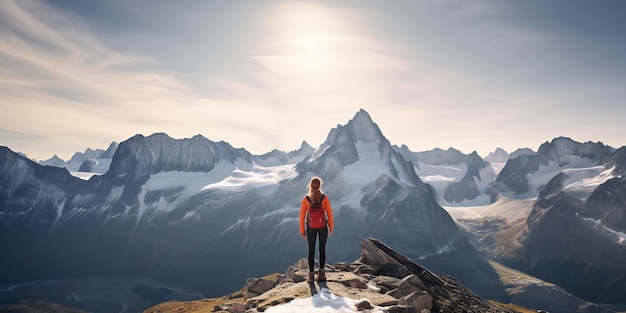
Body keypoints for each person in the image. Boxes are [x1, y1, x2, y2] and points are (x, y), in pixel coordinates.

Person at [299, 176, 334, 283]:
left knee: (311, 251)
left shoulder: (306, 199)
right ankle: (322, 274)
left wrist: (302, 230)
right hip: (323, 228)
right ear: (320, 186)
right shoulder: (324, 198)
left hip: (311, 229)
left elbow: (302, 216)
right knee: (322, 250)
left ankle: (311, 275)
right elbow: (329, 213)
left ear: (310, 186)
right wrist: (331, 227)